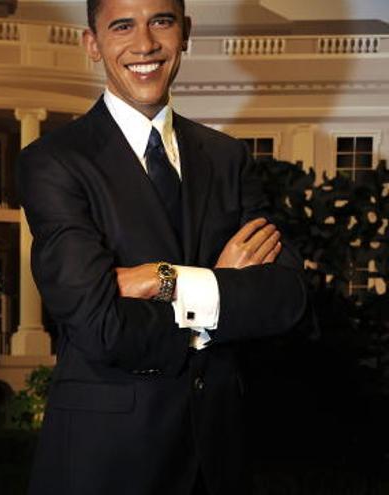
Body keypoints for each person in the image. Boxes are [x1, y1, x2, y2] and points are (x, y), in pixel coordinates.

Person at [17, 0, 309, 494]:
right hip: (107, 459)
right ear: (92, 44)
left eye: (162, 21)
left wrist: (162, 279)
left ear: (185, 33)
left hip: (218, 456)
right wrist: (221, 288)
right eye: (122, 26)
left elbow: (286, 298)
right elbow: (100, 324)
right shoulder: (52, 162)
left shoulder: (226, 157)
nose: (145, 44)